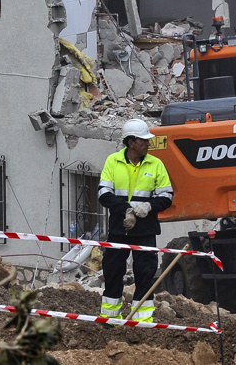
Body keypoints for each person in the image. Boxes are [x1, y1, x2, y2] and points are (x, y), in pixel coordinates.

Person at [97, 118, 173, 321]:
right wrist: (127, 210)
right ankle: (110, 319)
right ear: (131, 142)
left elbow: (167, 196)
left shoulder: (156, 164)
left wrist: (148, 207)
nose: (148, 143)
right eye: (143, 140)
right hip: (119, 229)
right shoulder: (113, 161)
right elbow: (103, 194)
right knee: (113, 272)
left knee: (145, 274)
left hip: (146, 231)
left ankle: (142, 321)